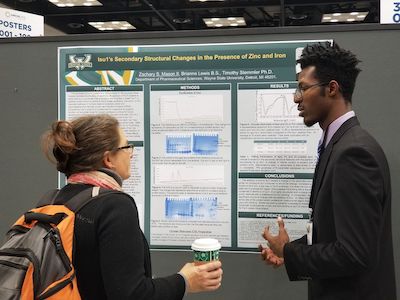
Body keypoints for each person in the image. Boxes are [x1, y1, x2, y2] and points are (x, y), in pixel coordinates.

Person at [259, 42, 396, 299]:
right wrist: (288, 251)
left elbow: (353, 254)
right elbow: (334, 237)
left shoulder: (353, 154)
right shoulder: (338, 145)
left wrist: (290, 253)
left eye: (303, 88)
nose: (296, 98)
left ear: (332, 88)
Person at [41, 114, 223, 300]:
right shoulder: (114, 205)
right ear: (108, 159)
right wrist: (185, 281)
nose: (131, 153)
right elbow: (133, 295)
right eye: (126, 146)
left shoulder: (55, 199)